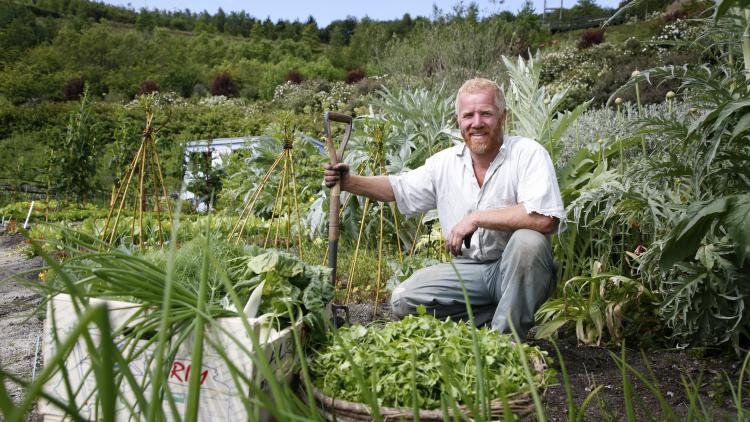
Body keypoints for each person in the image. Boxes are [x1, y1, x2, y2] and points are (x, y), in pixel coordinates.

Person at [324, 78, 564, 339]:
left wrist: (477, 218)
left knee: (528, 242)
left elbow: (545, 218)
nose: (477, 123)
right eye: (468, 115)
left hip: (516, 268)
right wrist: (349, 182)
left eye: (486, 114)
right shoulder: (445, 163)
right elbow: (398, 188)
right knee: (403, 299)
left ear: (502, 116)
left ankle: (503, 343)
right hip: (471, 272)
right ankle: (498, 316)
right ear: (458, 121)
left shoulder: (528, 154)